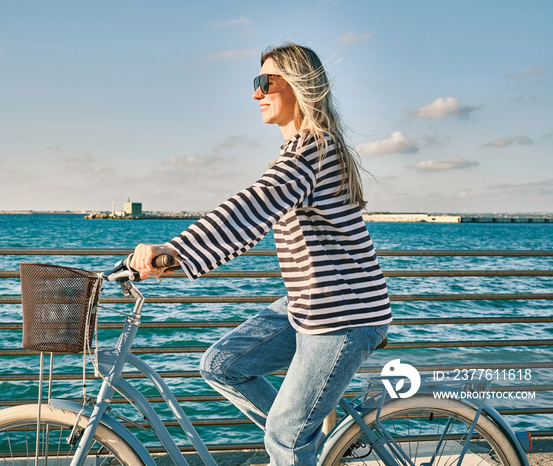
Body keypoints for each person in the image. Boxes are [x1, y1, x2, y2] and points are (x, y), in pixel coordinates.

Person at [131, 42, 392, 465]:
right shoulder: (301, 151)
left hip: (342, 316)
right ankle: (309, 444)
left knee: (285, 438)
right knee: (223, 364)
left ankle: (294, 445)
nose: (256, 94)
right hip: (309, 306)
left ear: (300, 83)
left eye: (264, 82)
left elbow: (250, 207)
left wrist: (174, 250)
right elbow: (254, 214)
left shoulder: (312, 149)